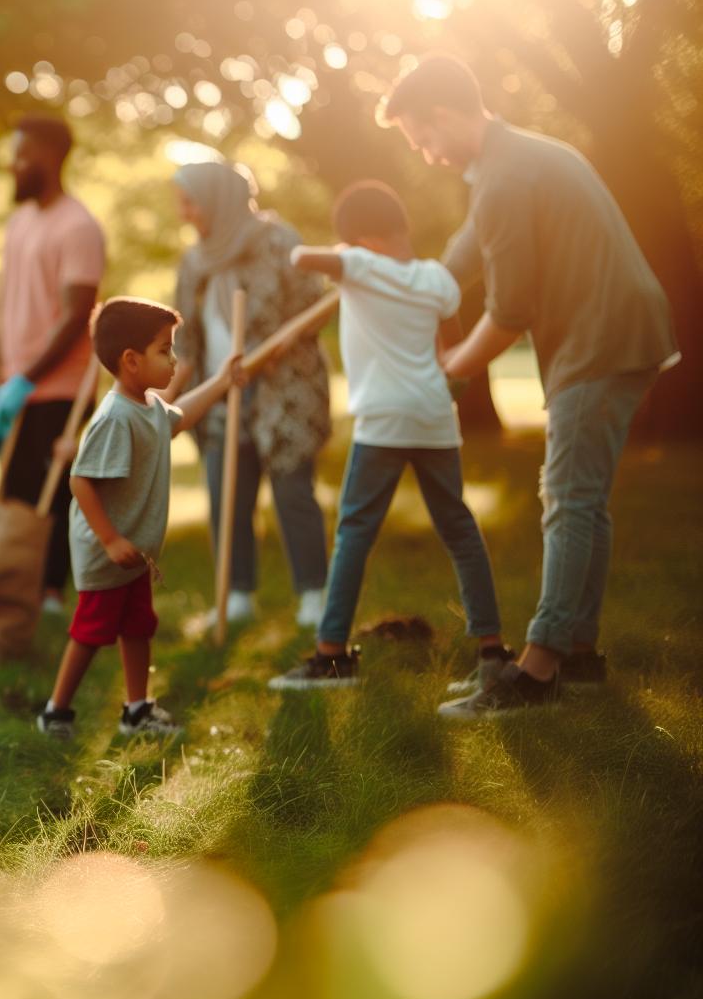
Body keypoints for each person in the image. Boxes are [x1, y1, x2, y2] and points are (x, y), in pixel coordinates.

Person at [379, 55, 680, 717]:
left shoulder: (506, 177)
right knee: (584, 500)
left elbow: (510, 312)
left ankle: (536, 671)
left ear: (447, 115)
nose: (426, 156)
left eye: (424, 139)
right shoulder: (507, 164)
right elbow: (461, 258)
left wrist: (446, 373)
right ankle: (578, 656)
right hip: (617, 331)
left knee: (567, 498)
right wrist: (405, 291)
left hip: (601, 339)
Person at [269, 182, 508, 692]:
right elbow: (453, 352)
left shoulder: (360, 265)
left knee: (355, 532)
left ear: (362, 239)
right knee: (460, 529)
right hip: (434, 417)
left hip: (382, 421)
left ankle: (331, 655)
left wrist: (345, 254)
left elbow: (298, 256)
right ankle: (491, 652)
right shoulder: (439, 279)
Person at [35, 299, 244, 741]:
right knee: (91, 633)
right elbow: (80, 481)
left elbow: (181, 416)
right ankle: (55, 711)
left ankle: (136, 709)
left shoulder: (147, 406)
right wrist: (110, 540)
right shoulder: (114, 418)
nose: (173, 360)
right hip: (107, 550)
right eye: (165, 350)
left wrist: (223, 382)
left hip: (133, 552)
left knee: (137, 627)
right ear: (131, 361)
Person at [168, 160, 331, 628]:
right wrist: (169, 402)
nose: (184, 213)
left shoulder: (279, 241)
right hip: (219, 392)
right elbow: (186, 339)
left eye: (190, 202)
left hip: (284, 389)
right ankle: (236, 596)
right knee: (226, 492)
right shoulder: (195, 259)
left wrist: (274, 349)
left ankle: (313, 596)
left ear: (219, 199)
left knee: (292, 491)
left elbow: (313, 308)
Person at [0, 115, 107, 616]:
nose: (14, 165)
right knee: (16, 496)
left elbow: (77, 314)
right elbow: (8, 303)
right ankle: (19, 587)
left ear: (50, 157)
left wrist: (27, 378)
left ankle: (53, 596)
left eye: (22, 155)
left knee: (55, 496)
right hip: (15, 385)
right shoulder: (20, 221)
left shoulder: (79, 226)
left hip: (58, 388)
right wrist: (2, 376)